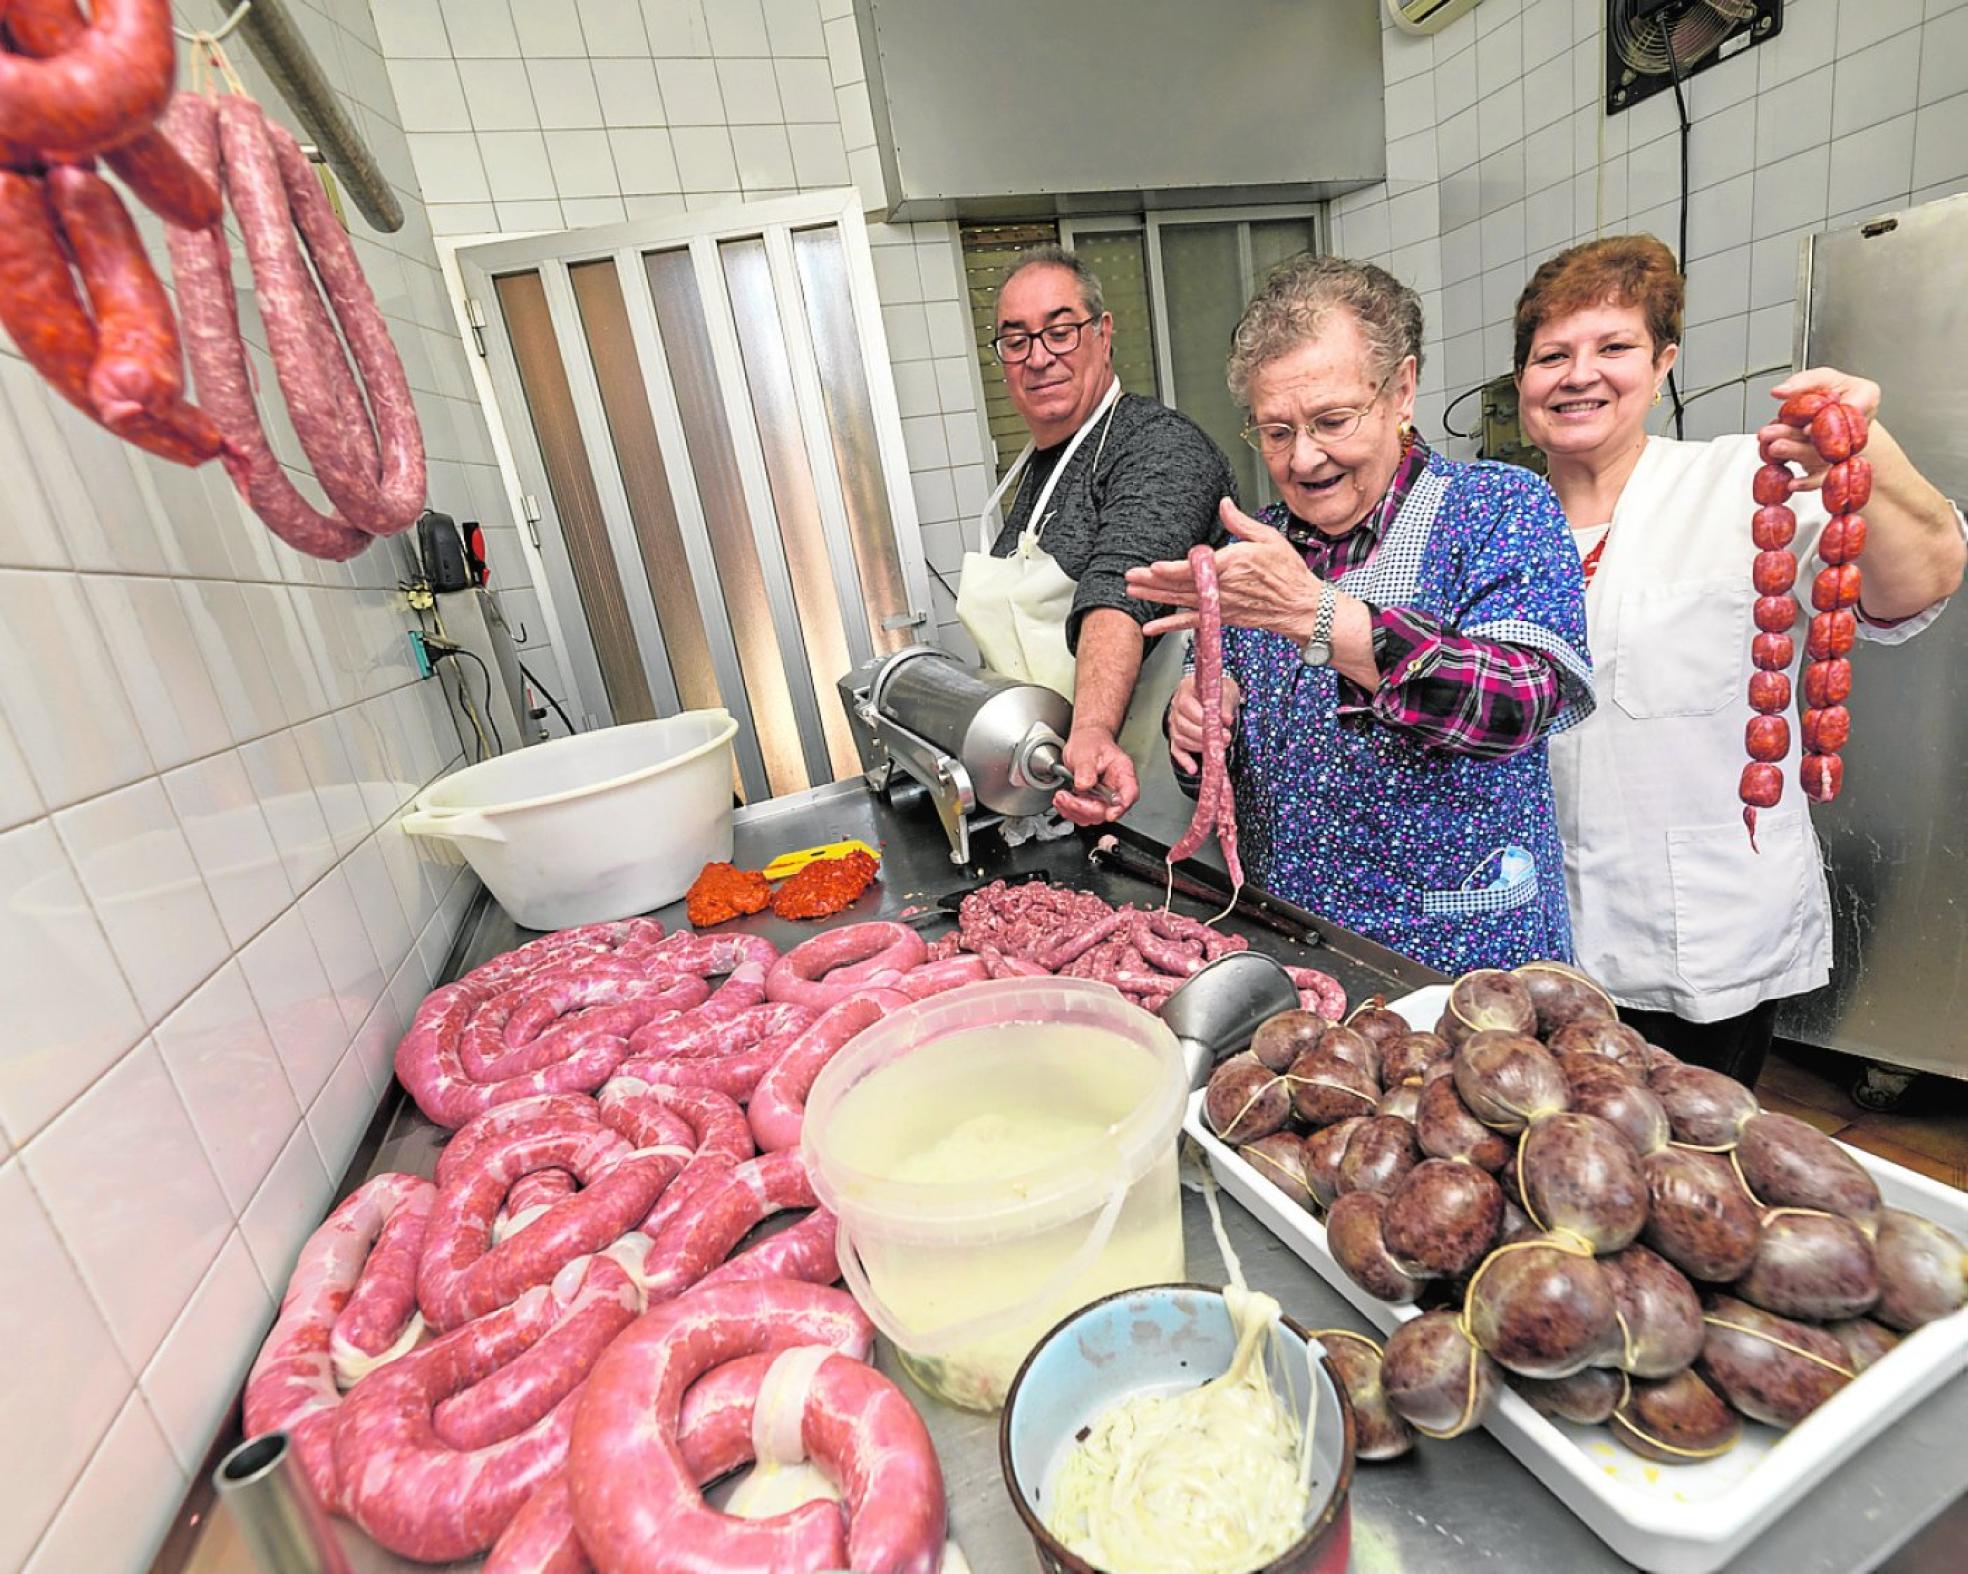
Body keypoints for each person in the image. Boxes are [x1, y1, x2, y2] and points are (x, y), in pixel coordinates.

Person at [1513, 234, 1965, 1084]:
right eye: (1552, 355)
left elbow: (1924, 579)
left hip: (1700, 938)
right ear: (1523, 380)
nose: (1579, 375)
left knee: (1692, 1170)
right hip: (1533, 927)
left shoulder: (1745, 487)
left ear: (1664, 362)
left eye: (1614, 348)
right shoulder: (1499, 518)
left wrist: (1865, 451)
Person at [1128, 255, 1594, 974]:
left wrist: (1319, 616)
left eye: (1331, 420)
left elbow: (1518, 702)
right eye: (1276, 432)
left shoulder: (1498, 509)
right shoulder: (1254, 545)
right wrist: (1196, 725)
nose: (1304, 457)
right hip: (1292, 945)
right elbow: (1221, 764)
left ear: (1401, 390)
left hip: (1461, 957)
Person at [956, 245, 1238, 826]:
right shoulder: (1038, 468)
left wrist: (1089, 731)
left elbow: (1119, 588)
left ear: (1103, 334)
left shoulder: (1160, 447)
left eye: (1060, 332)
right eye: (1017, 340)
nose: (1039, 358)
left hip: (1155, 795)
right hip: (1065, 791)